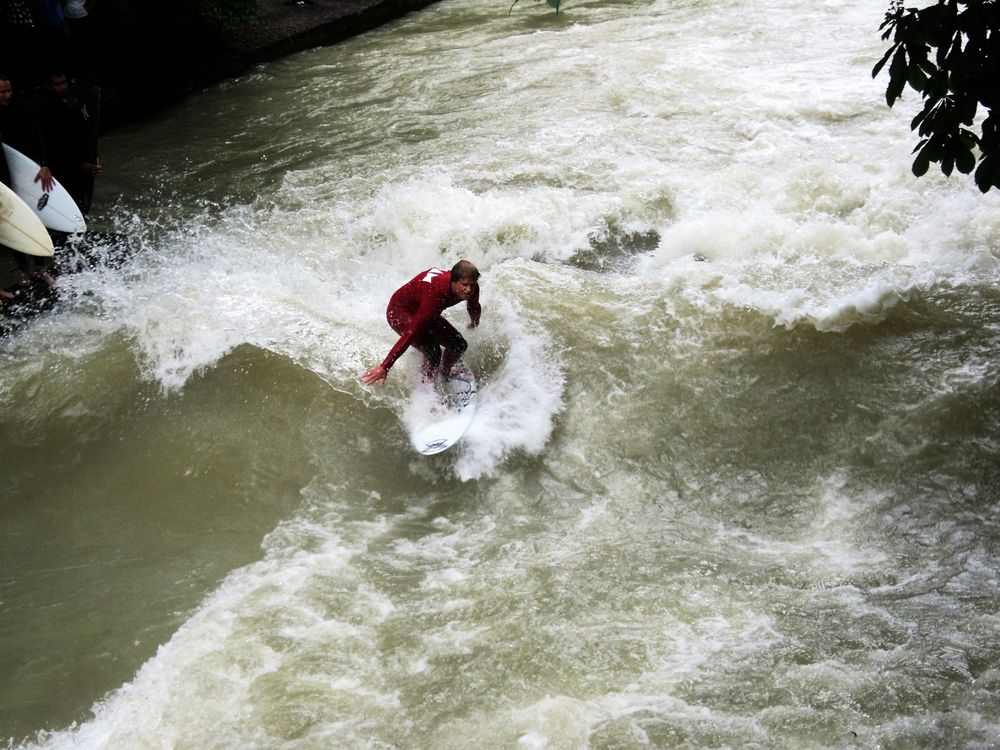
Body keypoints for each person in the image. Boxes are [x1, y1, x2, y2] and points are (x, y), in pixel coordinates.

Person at [361, 260, 482, 386]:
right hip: (399, 311)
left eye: (472, 285)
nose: (469, 289)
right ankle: (428, 393)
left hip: (423, 310)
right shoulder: (436, 295)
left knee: (459, 345)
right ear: (454, 281)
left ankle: (444, 374)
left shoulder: (471, 288)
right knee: (433, 351)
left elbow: (474, 305)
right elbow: (411, 333)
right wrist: (384, 366)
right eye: (465, 284)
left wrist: (474, 321)